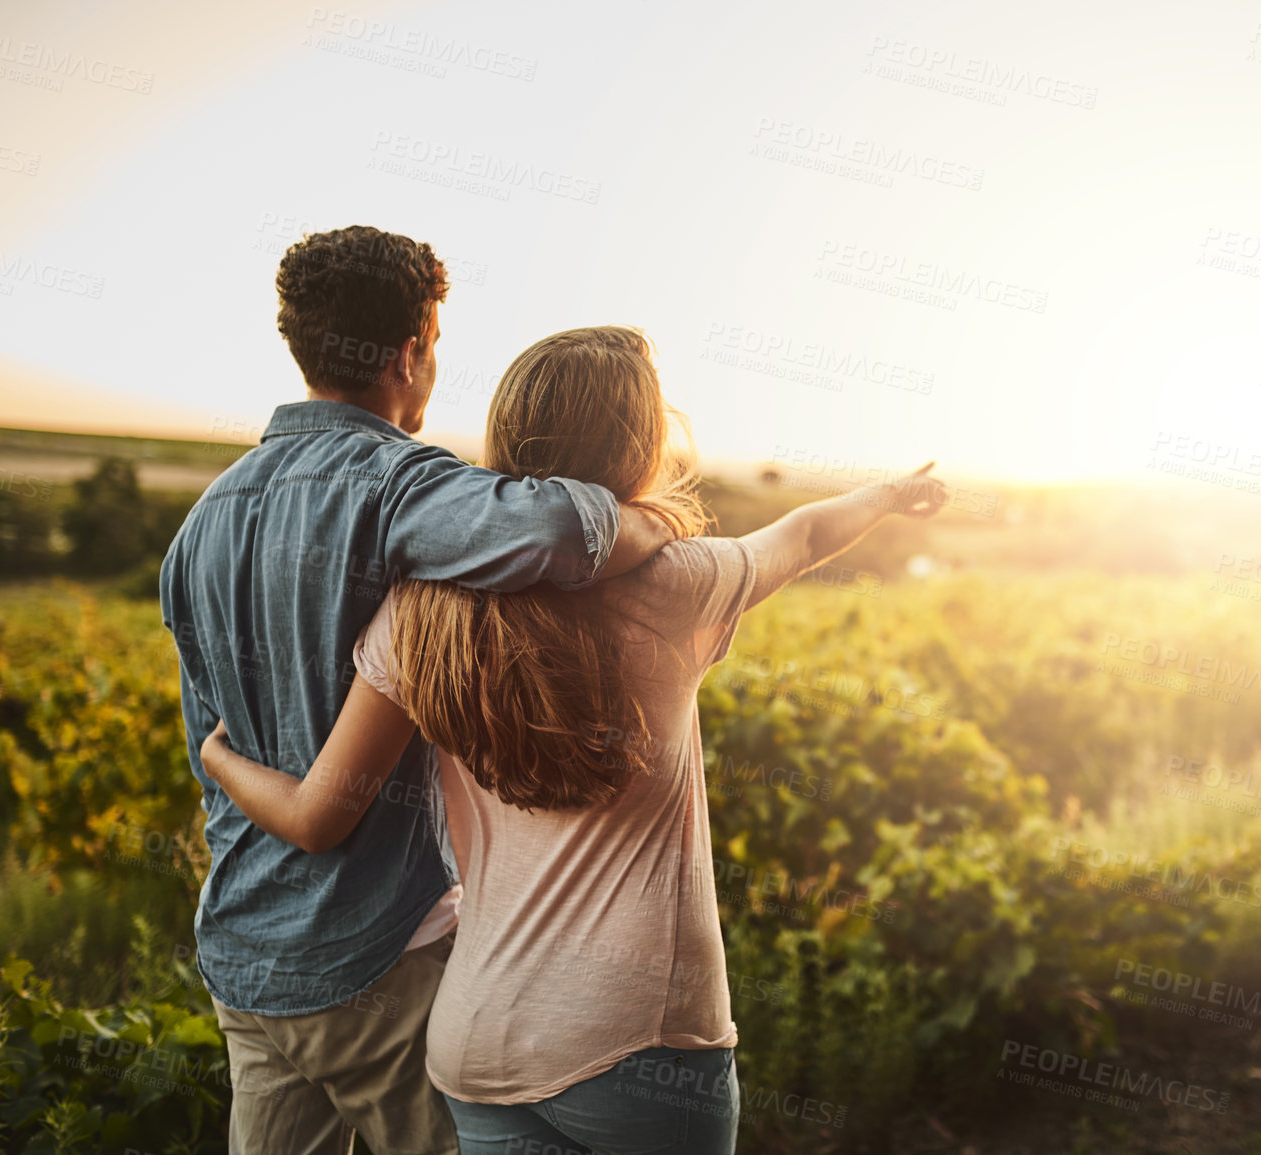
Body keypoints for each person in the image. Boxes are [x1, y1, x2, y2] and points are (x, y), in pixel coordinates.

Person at [197, 324, 946, 1155]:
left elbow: (318, 808)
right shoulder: (676, 585)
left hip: (475, 1042)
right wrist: (883, 497)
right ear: (638, 445)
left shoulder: (419, 611)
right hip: (639, 1041)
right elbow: (802, 536)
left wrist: (217, 754)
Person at [160, 232, 675, 1155]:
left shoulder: (201, 525)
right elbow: (565, 526)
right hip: (375, 958)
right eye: (431, 344)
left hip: (243, 962)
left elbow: (218, 740)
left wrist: (222, 760)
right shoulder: (395, 484)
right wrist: (651, 521)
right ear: (409, 350)